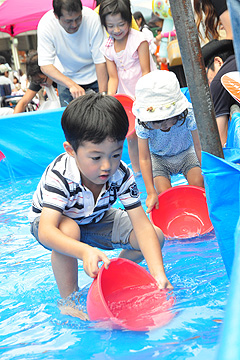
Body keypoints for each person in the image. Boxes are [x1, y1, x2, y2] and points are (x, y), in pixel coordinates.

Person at [29, 93, 173, 318]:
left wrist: (158, 274)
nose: (107, 166)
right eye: (96, 158)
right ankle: (69, 300)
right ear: (71, 150)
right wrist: (85, 251)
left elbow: (142, 226)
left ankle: (110, 273)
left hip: (96, 218)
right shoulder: (61, 175)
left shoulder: (121, 174)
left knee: (155, 236)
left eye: (116, 154)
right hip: (55, 224)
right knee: (69, 230)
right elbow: (47, 231)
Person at [132, 70, 204, 212]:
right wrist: (150, 192)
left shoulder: (188, 113)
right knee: (165, 195)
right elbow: (145, 158)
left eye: (167, 120)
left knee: (199, 185)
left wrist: (208, 174)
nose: (162, 126)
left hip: (186, 152)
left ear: (178, 112)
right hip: (159, 158)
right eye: (156, 123)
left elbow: (198, 146)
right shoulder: (142, 122)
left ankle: (197, 209)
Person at [99, 0, 156, 175]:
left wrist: (142, 98)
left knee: (151, 131)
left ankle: (157, 168)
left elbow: (146, 72)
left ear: (128, 20)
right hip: (126, 97)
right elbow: (113, 77)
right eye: (110, 26)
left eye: (121, 24)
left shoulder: (139, 40)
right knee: (131, 135)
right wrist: (110, 100)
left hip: (146, 91)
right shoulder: (108, 47)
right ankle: (138, 173)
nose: (116, 30)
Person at [37, 0, 108, 107]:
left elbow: (100, 61)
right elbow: (45, 65)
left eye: (78, 18)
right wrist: (72, 85)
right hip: (66, 78)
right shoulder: (46, 25)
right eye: (68, 21)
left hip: (96, 75)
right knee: (70, 120)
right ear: (56, 16)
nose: (74, 25)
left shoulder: (92, 19)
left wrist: (103, 96)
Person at [202, 39, 238, 146]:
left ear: (217, 62)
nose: (208, 84)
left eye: (206, 78)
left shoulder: (220, 80)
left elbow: (221, 142)